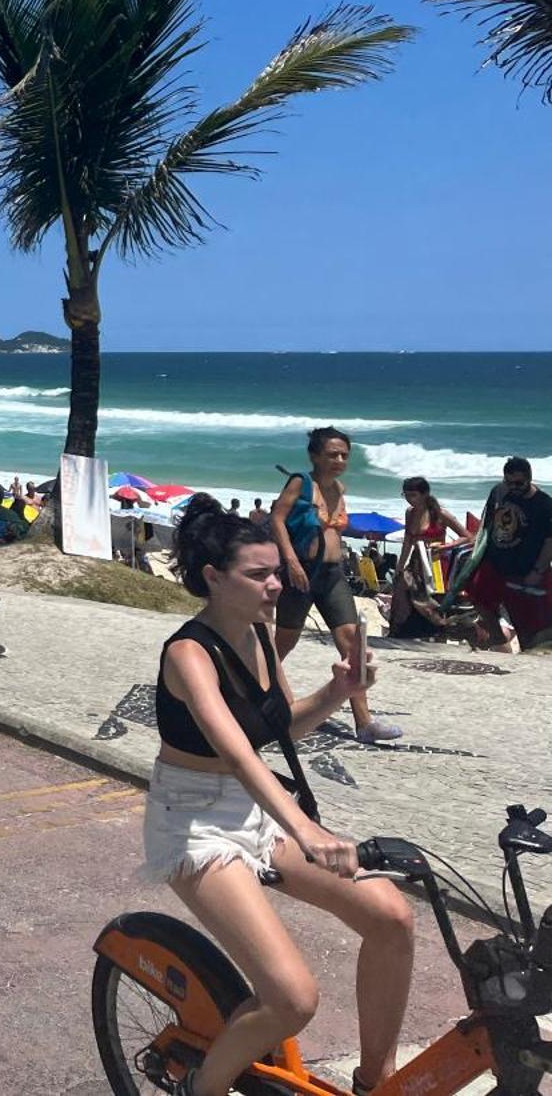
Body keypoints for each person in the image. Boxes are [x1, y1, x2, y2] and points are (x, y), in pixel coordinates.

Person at [141, 495, 412, 1096]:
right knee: (292, 998)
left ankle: (376, 1081)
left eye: (275, 573)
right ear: (213, 578)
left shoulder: (261, 635)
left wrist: (339, 691)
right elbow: (237, 751)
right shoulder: (187, 653)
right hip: (194, 823)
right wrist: (307, 830)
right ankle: (203, 1088)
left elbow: (278, 727)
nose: (276, 585)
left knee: (392, 915)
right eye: (258, 575)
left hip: (254, 810)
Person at [269, 427, 401, 743]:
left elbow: (335, 532)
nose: (339, 460)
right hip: (301, 573)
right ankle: (243, 691)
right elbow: (276, 518)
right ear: (315, 455)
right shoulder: (300, 482)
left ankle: (364, 722)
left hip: (332, 576)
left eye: (344, 455)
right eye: (331, 454)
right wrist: (292, 562)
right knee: (282, 644)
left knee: (353, 643)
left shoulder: (339, 488)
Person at [462, 457, 552, 650]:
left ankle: (528, 653)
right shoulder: (499, 492)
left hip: (525, 568)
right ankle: (498, 638)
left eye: (518, 483)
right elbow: (487, 525)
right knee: (476, 594)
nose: (513, 487)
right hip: (496, 562)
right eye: (508, 482)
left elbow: (549, 541)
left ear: (529, 478)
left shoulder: (544, 504)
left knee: (528, 623)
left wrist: (537, 571)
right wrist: (476, 555)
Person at [387, 477, 468, 638]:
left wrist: (445, 546)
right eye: (406, 495)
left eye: (413, 495)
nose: (410, 500)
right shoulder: (410, 513)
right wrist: (400, 567)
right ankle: (399, 632)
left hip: (436, 563)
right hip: (417, 561)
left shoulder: (439, 514)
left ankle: (439, 630)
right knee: (402, 592)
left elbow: (467, 536)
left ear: (425, 494)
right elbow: (408, 541)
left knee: (431, 601)